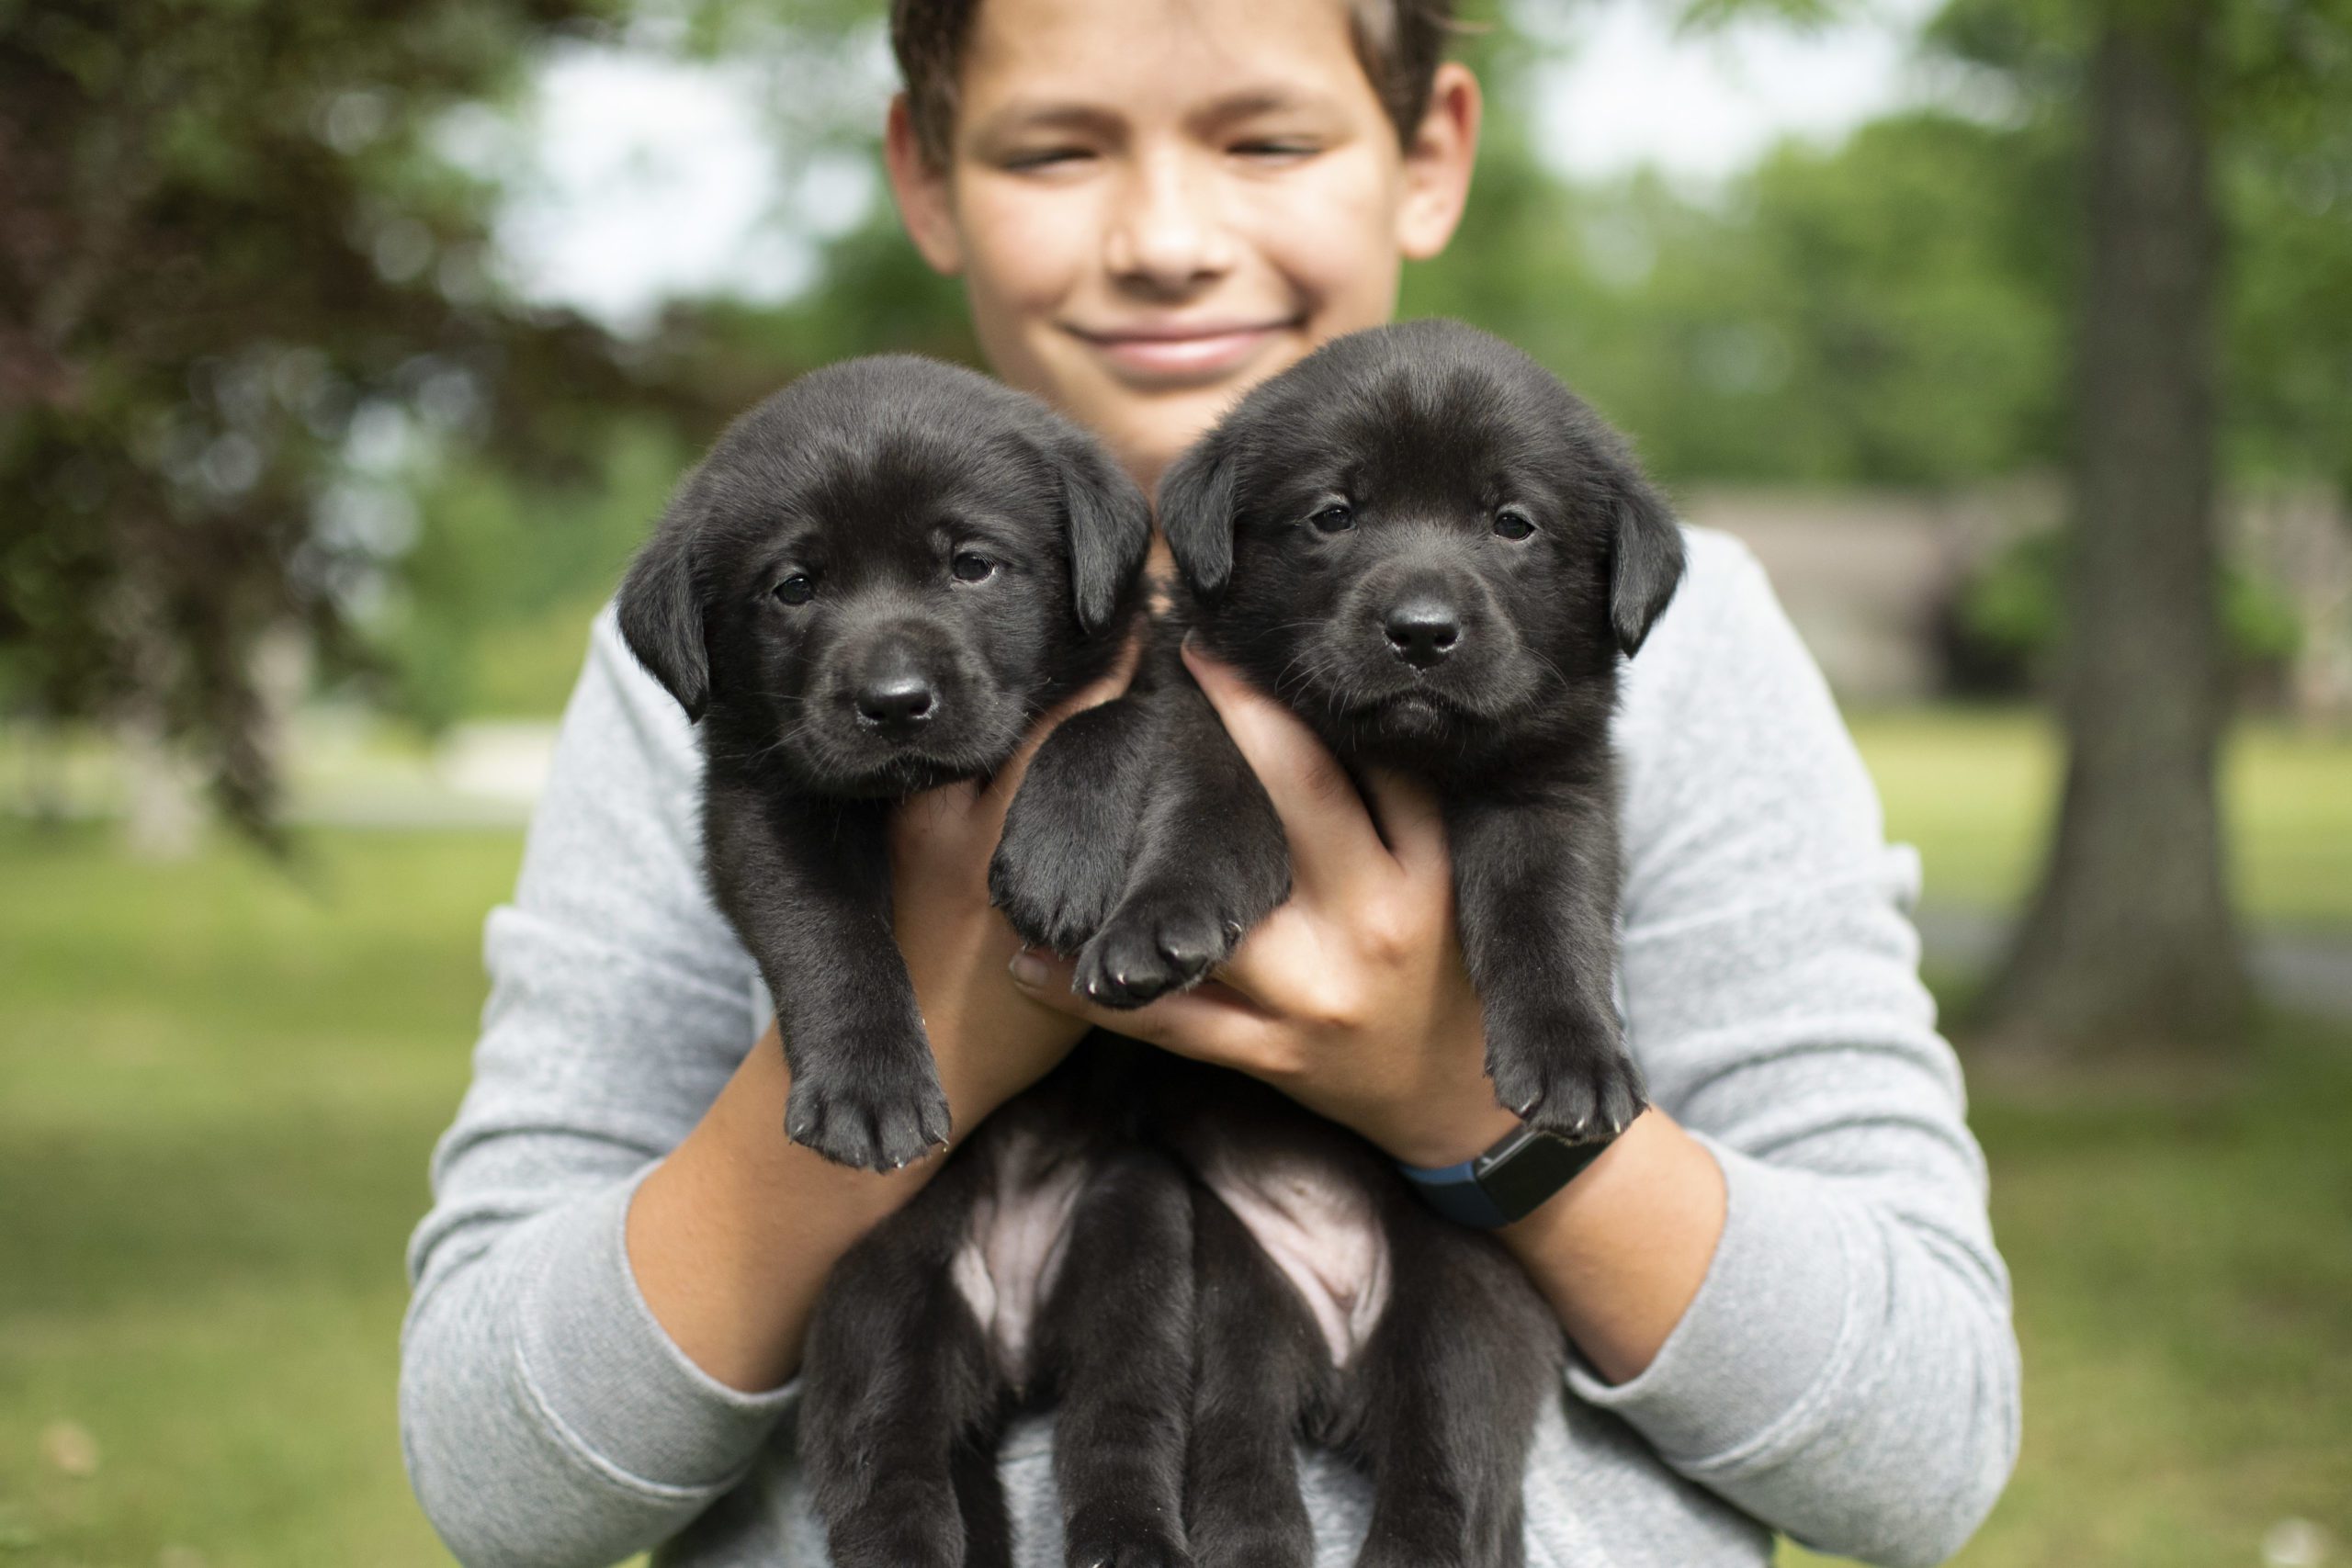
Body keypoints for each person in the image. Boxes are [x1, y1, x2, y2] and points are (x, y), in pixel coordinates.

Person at [398, 0, 2021, 1562]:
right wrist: (924, 1031)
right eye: (1056, 151)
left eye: (1265, 137)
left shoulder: (1675, 644)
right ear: (925, 171)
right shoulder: (732, 682)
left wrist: (1466, 1105)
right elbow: (496, 1479)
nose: (1167, 236)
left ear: (1431, 150)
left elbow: (1922, 1453)